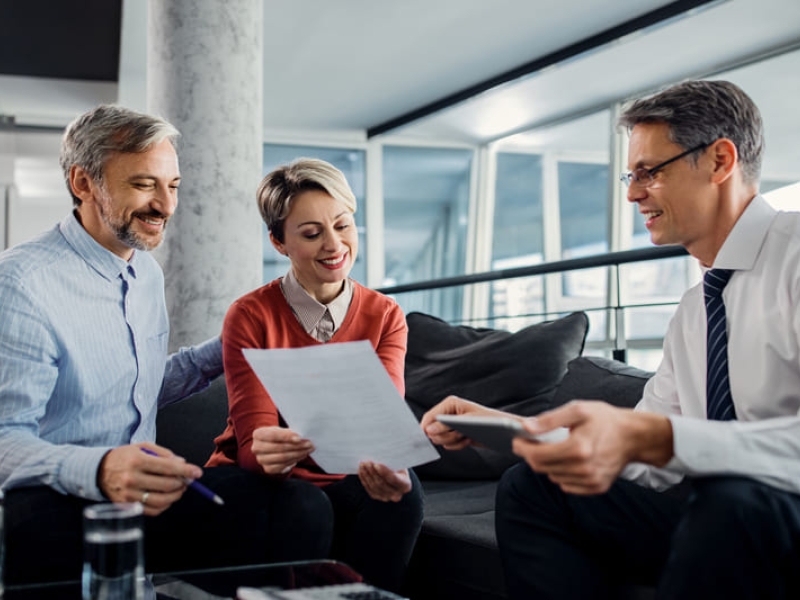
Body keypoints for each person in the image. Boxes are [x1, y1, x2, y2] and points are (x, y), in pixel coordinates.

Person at [421, 80, 800, 599]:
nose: (632, 193)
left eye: (650, 172)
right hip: (720, 511)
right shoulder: (694, 311)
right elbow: (646, 457)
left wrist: (660, 439)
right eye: (631, 174)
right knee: (534, 488)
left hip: (772, 512)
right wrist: (517, 429)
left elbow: (662, 442)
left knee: (735, 502)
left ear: (719, 160)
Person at [0, 105, 329, 584]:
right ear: (83, 183)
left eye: (171, 186)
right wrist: (100, 468)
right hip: (60, 506)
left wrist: (233, 344)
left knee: (297, 507)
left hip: (145, 499)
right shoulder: (22, 283)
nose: (166, 205)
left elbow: (138, 385)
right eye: (143, 184)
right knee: (36, 517)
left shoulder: (144, 273)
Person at [205, 158, 424, 592]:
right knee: (304, 507)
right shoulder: (250, 314)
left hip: (343, 469)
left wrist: (392, 459)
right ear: (279, 242)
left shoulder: (385, 315)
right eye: (311, 233)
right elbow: (252, 445)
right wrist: (272, 454)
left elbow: (381, 424)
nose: (334, 245)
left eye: (342, 225)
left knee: (403, 496)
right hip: (257, 474)